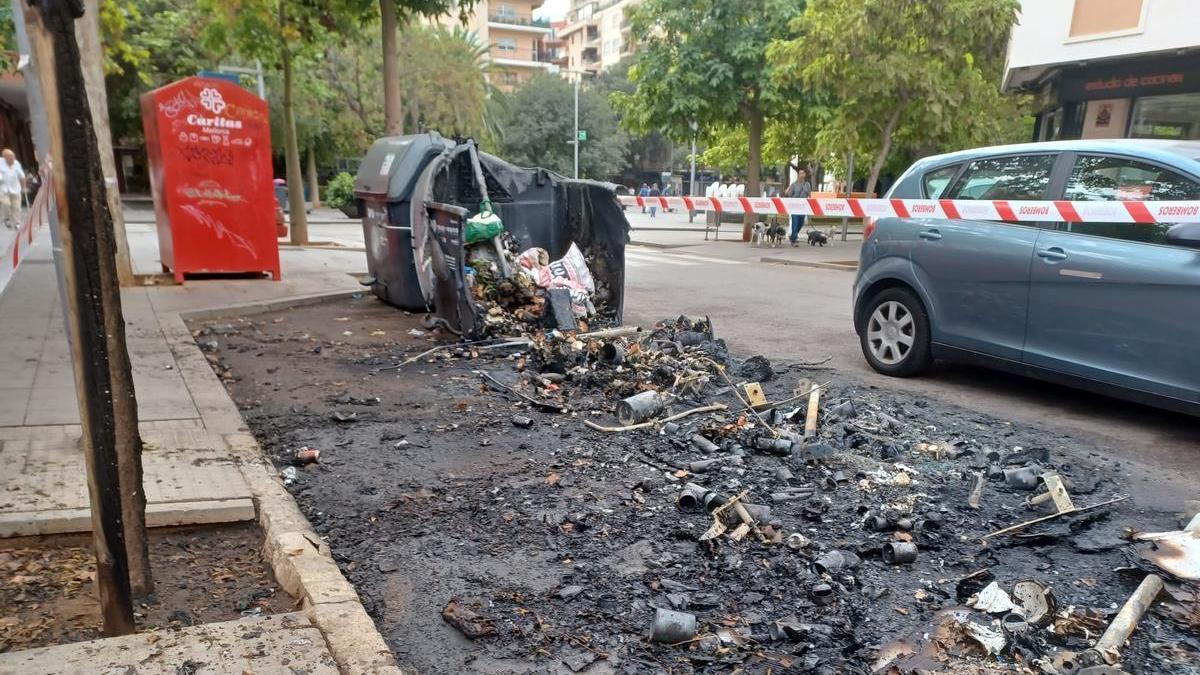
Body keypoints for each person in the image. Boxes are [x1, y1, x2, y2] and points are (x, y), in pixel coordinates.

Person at [0, 149, 27, 229]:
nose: (13, 159)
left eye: (13, 157)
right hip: (3, 189)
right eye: (10, 157)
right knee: (6, 204)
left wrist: (24, 187)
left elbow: (22, 177)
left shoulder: (16, 164)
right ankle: (7, 218)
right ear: (5, 157)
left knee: (16, 207)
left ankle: (17, 223)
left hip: (15, 188)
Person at [785, 169, 812, 246]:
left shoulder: (807, 184)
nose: (801, 175)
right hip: (795, 207)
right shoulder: (794, 184)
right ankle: (794, 239)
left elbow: (809, 195)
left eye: (803, 173)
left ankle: (793, 236)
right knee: (795, 223)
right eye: (800, 173)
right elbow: (789, 194)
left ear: (805, 175)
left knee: (801, 223)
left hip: (803, 207)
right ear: (798, 175)